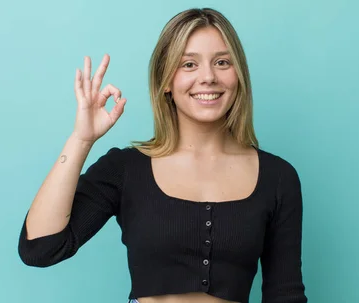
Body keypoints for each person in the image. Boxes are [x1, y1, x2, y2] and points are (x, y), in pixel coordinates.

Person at [17, 7, 307, 303]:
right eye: (189, 64)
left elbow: (285, 293)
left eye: (222, 62)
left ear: (239, 75)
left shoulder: (278, 177)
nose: (208, 77)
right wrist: (81, 139)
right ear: (166, 80)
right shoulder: (126, 168)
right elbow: (41, 248)